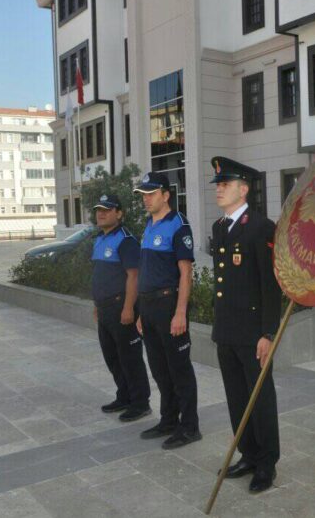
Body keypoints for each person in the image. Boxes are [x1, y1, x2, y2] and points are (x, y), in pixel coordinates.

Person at [209, 156, 282, 493]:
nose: (219, 189)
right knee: (237, 398)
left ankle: (267, 463)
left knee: (260, 399)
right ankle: (248, 454)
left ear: (243, 189)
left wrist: (268, 333)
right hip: (227, 330)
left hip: (253, 334)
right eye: (218, 184)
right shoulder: (219, 227)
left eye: (225, 184)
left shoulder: (261, 227)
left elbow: (270, 285)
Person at [133, 172, 201, 450]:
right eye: (143, 195)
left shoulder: (178, 225)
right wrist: (141, 312)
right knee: (160, 369)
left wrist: (180, 312)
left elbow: (186, 274)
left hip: (168, 305)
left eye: (151, 194)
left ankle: (190, 427)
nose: (146, 199)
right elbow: (147, 272)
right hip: (149, 308)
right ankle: (169, 420)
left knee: (179, 369)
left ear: (166, 195)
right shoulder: (149, 224)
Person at [91, 194, 151, 422]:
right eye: (99, 210)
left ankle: (140, 403)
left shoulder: (126, 240)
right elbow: (100, 275)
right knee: (112, 356)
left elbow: (133, 276)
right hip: (104, 309)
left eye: (107, 210)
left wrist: (128, 308)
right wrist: (96, 304)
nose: (101, 214)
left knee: (130, 358)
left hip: (121, 307)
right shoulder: (99, 239)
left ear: (119, 213)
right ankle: (124, 396)